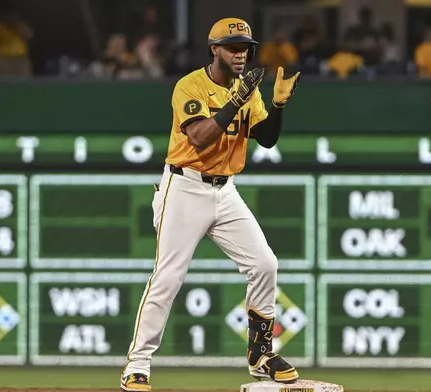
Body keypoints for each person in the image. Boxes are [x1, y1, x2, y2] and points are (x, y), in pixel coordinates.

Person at [119, 17, 301, 392]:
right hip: (185, 187)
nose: (240, 54)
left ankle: (260, 354)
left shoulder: (247, 90)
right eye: (232, 47)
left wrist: (279, 105)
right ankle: (137, 365)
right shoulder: (191, 85)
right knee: (168, 277)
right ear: (214, 49)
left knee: (265, 264)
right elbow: (200, 137)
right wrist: (236, 99)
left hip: (225, 189)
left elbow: (265, 139)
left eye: (246, 48)